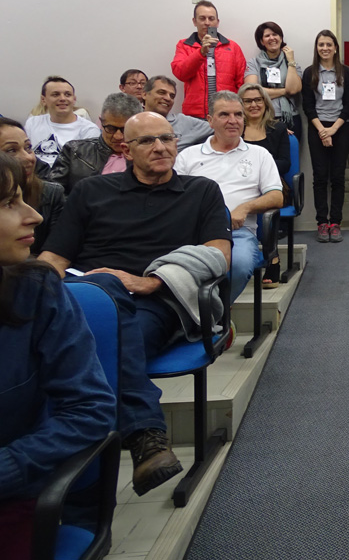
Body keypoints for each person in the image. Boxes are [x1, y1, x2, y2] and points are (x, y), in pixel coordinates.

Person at [39, 111, 232, 497]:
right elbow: (54, 259)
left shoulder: (201, 190)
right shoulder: (91, 191)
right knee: (98, 298)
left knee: (93, 346)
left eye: (167, 138)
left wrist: (150, 282)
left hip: (156, 301)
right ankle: (144, 436)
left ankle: (77, 480)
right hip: (85, 296)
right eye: (147, 141)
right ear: (126, 150)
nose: (160, 147)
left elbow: (219, 256)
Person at [0, 154, 116, 560]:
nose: (34, 216)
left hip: (11, 493)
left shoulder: (36, 290)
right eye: (9, 203)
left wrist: (10, 466)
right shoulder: (95, 192)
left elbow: (91, 408)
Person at [175, 92, 283, 301]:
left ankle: (217, 311)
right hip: (194, 231)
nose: (233, 120)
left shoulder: (259, 154)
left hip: (238, 233)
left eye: (238, 115)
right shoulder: (189, 156)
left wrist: (245, 208)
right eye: (224, 114)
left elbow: (276, 196)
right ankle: (203, 311)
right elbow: (174, 196)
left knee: (239, 265)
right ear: (210, 120)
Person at [302, 31, 349, 244]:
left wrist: (333, 129)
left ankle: (336, 222)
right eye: (321, 44)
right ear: (317, 48)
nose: (325, 48)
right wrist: (322, 130)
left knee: (338, 177)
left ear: (335, 48)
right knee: (320, 177)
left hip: (340, 127)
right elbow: (307, 105)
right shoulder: (310, 72)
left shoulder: (346, 72)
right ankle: (322, 222)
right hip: (317, 127)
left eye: (328, 44)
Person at [239, 82, 290, 286]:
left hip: (272, 183)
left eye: (258, 100)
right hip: (241, 183)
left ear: (265, 103)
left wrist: (259, 168)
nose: (253, 105)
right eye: (248, 101)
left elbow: (285, 163)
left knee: (266, 200)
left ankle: (272, 257)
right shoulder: (235, 129)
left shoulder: (278, 128)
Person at [49, 92, 143, 193]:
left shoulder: (148, 155)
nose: (118, 136)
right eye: (110, 128)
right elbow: (54, 194)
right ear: (101, 122)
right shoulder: (74, 151)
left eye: (125, 130)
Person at [171, 0, 247, 119]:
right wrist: (200, 52)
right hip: (194, 115)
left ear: (217, 22)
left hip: (226, 114)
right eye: (202, 18)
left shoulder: (233, 47)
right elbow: (180, 73)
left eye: (211, 19)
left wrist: (238, 111)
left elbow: (241, 83)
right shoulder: (184, 45)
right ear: (194, 21)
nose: (207, 23)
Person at [0, 118, 64, 254]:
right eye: (11, 150)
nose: (29, 158)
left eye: (28, 148)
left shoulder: (52, 194)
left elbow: (56, 252)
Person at [24, 76, 100, 176]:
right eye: (55, 94)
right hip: (34, 178)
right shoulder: (32, 123)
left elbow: (84, 169)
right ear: (43, 100)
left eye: (68, 94)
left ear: (74, 99)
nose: (63, 98)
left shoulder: (89, 130)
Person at [245, 21, 303, 140]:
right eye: (267, 36)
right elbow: (252, 92)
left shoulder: (291, 63)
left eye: (275, 34)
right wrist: (284, 91)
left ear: (281, 38)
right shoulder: (254, 63)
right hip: (264, 119)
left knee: (291, 151)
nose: (272, 38)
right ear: (262, 41)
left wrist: (291, 61)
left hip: (291, 118)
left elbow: (293, 89)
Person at [142, 76, 213, 151]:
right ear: (144, 94)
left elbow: (218, 127)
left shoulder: (185, 122)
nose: (168, 98)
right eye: (162, 93)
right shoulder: (134, 120)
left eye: (172, 96)